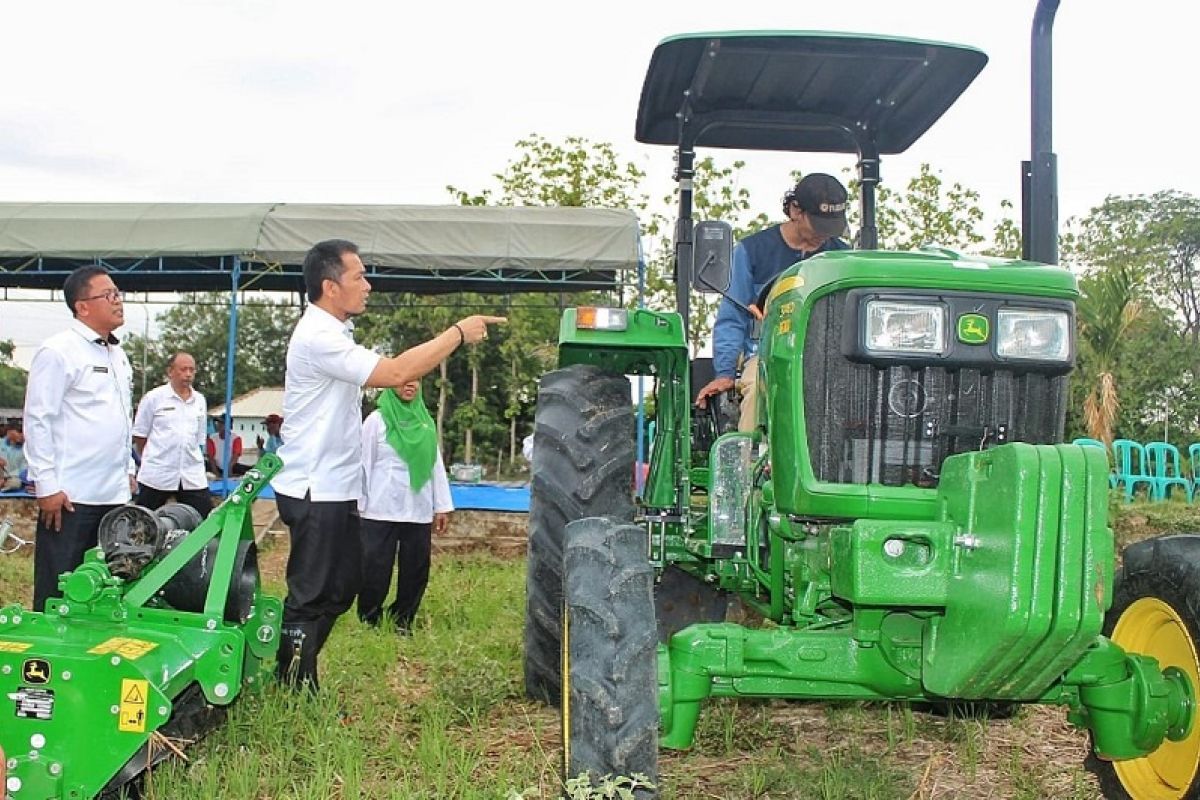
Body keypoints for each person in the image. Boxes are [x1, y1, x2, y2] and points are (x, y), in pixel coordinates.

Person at [272, 238, 504, 691]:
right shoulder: (318, 336)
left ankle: (300, 674)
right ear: (329, 286)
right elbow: (398, 373)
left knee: (340, 589)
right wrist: (457, 333)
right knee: (312, 592)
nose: (368, 285)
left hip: (336, 489)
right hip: (313, 488)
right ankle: (292, 683)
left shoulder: (336, 333)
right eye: (358, 276)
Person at [695, 173, 851, 430]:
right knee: (758, 388)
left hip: (828, 360)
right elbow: (732, 318)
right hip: (767, 355)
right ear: (795, 210)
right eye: (818, 226)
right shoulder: (752, 252)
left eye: (831, 228)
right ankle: (748, 464)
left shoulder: (843, 258)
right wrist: (724, 373)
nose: (824, 237)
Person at [23, 266, 135, 612]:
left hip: (114, 495)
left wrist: (129, 468)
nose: (118, 301)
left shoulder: (117, 354)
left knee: (106, 588)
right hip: (71, 497)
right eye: (109, 295)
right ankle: (44, 659)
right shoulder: (59, 351)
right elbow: (39, 418)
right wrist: (47, 486)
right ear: (82, 306)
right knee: (60, 588)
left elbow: (121, 417)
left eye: (118, 293)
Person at [356, 381, 453, 632]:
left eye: (416, 381)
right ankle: (369, 618)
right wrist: (359, 503)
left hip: (417, 509)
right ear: (391, 384)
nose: (410, 386)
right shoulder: (376, 421)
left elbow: (435, 464)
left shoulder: (424, 422)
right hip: (379, 507)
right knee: (375, 567)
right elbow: (363, 463)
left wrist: (441, 506)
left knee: (416, 569)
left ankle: (403, 620)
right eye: (404, 381)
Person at [131, 351, 212, 519]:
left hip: (191, 473)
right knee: (143, 522)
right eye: (183, 369)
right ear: (170, 371)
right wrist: (152, 456)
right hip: (158, 473)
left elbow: (199, 437)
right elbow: (140, 435)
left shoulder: (200, 400)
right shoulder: (154, 398)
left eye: (192, 370)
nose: (188, 374)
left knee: (204, 520)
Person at [0, 421, 27, 492]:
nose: (22, 435)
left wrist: (5, 479)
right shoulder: (1, 442)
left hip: (13, 477)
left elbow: (23, 469)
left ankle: (3, 486)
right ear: (9, 432)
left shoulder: (26, 449)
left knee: (16, 483)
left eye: (22, 432)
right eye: (19, 432)